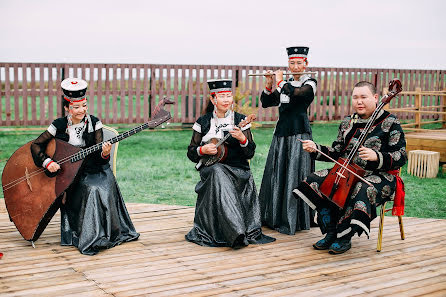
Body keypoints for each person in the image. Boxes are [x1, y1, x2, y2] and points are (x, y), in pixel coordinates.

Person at [293, 81, 407, 254]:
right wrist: (316, 148)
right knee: (314, 180)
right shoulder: (348, 122)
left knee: (360, 188)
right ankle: (331, 231)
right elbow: (337, 151)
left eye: (363, 97)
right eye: (355, 98)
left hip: (380, 176)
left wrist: (377, 156)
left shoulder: (390, 122)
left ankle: (344, 235)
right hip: (347, 173)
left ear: (376, 98)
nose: (359, 102)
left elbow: (402, 155)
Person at [31, 78, 139, 255]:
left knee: (97, 186)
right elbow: (36, 146)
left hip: (95, 169)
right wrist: (47, 162)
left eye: (84, 105)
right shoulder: (58, 125)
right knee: (88, 189)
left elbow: (99, 157)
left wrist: (105, 153)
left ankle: (103, 234)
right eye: (76, 107)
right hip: (69, 174)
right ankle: (85, 234)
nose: (81, 110)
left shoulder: (94, 122)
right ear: (67, 108)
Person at [186, 79, 276, 248]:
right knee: (217, 171)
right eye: (222, 96)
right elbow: (191, 152)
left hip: (238, 170)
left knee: (220, 173)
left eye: (229, 96)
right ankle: (235, 233)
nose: (226, 100)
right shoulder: (202, 122)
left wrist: (242, 139)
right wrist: (202, 150)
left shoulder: (241, 120)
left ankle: (235, 231)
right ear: (213, 100)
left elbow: (250, 152)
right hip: (211, 169)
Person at [258, 46, 317, 235]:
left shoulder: (310, 82)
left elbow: (299, 95)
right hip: (281, 134)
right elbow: (268, 102)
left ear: (306, 64)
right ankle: (276, 216)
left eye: (299, 63)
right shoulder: (287, 83)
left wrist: (281, 80)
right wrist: (269, 84)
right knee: (278, 174)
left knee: (295, 175)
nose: (295, 66)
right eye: (292, 63)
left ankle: (296, 219)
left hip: (299, 134)